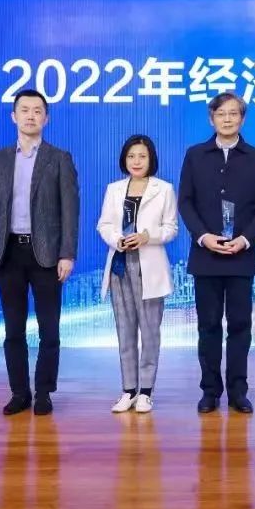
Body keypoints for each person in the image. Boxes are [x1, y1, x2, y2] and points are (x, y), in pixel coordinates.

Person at [0, 89, 79, 417]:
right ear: (14, 116)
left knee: (49, 330)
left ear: (46, 118)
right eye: (24, 110)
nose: (31, 116)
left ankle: (44, 392)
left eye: (37, 110)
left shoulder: (59, 158)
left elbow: (70, 211)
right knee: (13, 330)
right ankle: (19, 392)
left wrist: (67, 254)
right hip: (8, 253)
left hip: (47, 255)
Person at [178, 93, 255, 414]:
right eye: (221, 114)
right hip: (205, 256)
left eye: (234, 114)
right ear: (211, 119)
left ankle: (237, 391)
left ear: (242, 119)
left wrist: (245, 239)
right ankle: (210, 391)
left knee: (240, 326)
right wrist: (203, 236)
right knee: (207, 326)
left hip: (240, 257)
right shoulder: (195, 155)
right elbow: (185, 202)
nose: (228, 119)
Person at [97, 135, 178, 414]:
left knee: (150, 331)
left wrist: (147, 236)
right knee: (125, 330)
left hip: (149, 266)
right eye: (131, 156)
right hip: (120, 265)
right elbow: (104, 224)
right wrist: (116, 239)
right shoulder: (114, 189)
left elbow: (171, 228)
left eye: (142, 156)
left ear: (151, 159)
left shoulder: (163, 189)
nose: (136, 161)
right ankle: (128, 390)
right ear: (124, 159)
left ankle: (146, 391)